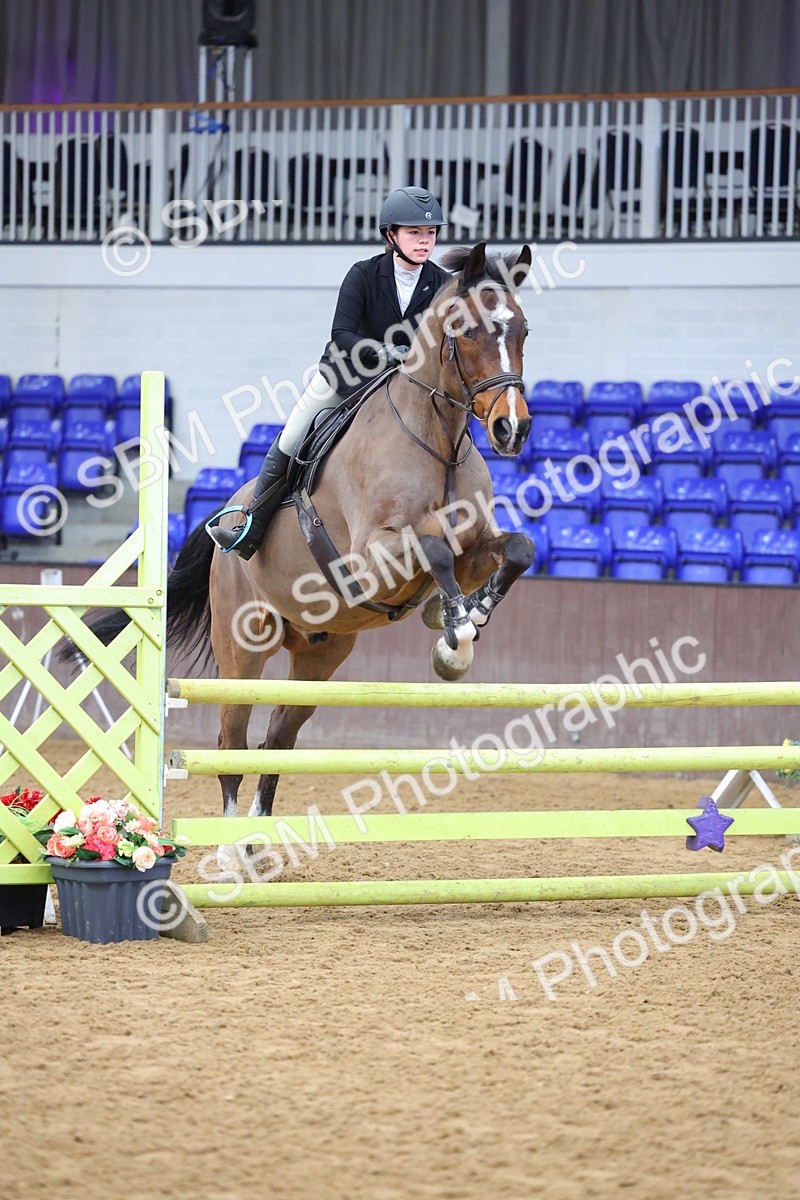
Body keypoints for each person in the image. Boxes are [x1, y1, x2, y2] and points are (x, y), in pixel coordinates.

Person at [208, 185, 449, 558]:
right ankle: (252, 526)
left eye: (430, 234)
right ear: (391, 235)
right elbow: (341, 334)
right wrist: (386, 351)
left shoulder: (442, 285)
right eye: (414, 233)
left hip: (405, 389)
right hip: (346, 379)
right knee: (293, 435)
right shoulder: (364, 275)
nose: (424, 242)